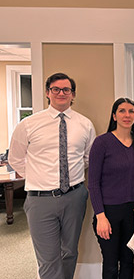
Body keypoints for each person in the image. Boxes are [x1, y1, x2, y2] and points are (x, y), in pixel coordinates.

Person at [8, 72, 96, 279]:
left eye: (66, 89)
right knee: (48, 259)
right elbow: (15, 159)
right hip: (40, 201)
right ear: (48, 93)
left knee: (70, 252)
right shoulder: (29, 124)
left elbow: (88, 158)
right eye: (55, 89)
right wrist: (40, 177)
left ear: (73, 94)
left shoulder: (85, 124)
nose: (61, 93)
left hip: (75, 196)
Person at [88, 97, 134, 279]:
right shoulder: (102, 143)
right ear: (114, 116)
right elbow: (93, 183)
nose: (127, 115)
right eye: (122, 111)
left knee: (129, 259)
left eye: (131, 111)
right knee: (111, 262)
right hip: (109, 212)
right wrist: (100, 216)